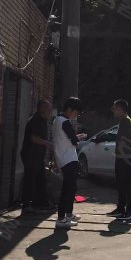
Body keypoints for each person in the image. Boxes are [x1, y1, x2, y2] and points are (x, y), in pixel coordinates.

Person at [51, 97, 86, 229]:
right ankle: (61, 218)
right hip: (69, 159)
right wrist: (79, 137)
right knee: (68, 189)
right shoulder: (65, 122)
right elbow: (74, 141)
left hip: (62, 158)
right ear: (70, 109)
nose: (75, 116)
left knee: (71, 188)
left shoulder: (56, 120)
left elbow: (66, 139)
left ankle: (68, 215)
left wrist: (75, 138)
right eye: (76, 113)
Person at [20, 99, 53, 215]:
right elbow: (34, 138)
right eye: (48, 109)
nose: (50, 111)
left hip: (38, 156)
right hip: (30, 155)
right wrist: (47, 144)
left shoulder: (43, 120)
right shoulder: (35, 120)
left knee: (41, 180)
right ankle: (26, 206)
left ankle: (40, 203)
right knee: (30, 180)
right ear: (42, 109)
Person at [107, 99, 131, 223]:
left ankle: (129, 212)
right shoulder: (123, 121)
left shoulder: (126, 121)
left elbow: (129, 141)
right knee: (121, 184)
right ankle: (120, 209)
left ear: (120, 109)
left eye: (115, 108)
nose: (113, 110)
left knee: (127, 185)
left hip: (125, 158)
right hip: (121, 157)